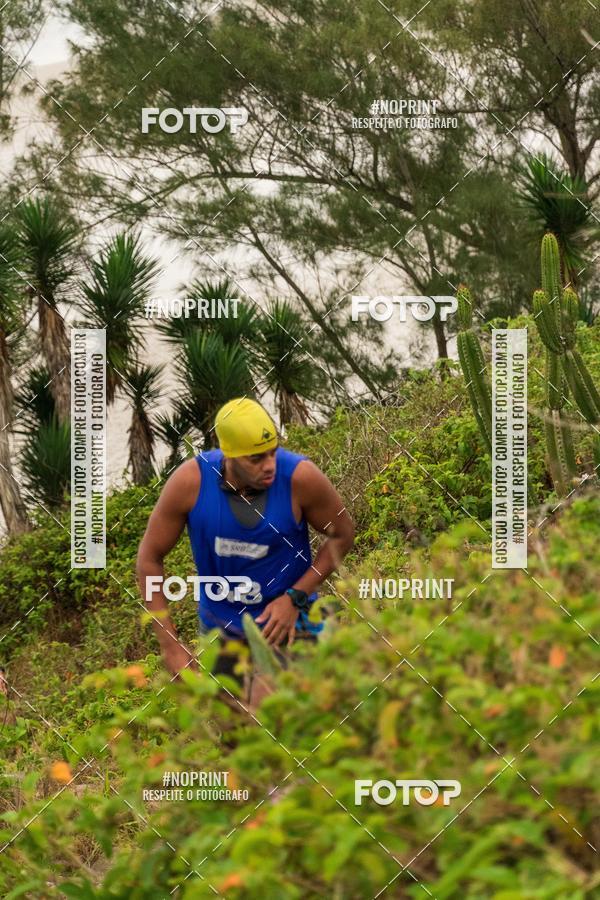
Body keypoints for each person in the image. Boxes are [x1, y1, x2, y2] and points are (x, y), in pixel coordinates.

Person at [136, 397, 354, 709]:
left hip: (290, 624)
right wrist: (170, 644)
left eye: (272, 452)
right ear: (229, 456)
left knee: (279, 723)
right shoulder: (190, 483)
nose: (269, 466)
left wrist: (296, 596)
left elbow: (342, 535)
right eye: (255, 459)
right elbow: (149, 559)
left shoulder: (299, 478)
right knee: (237, 742)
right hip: (221, 630)